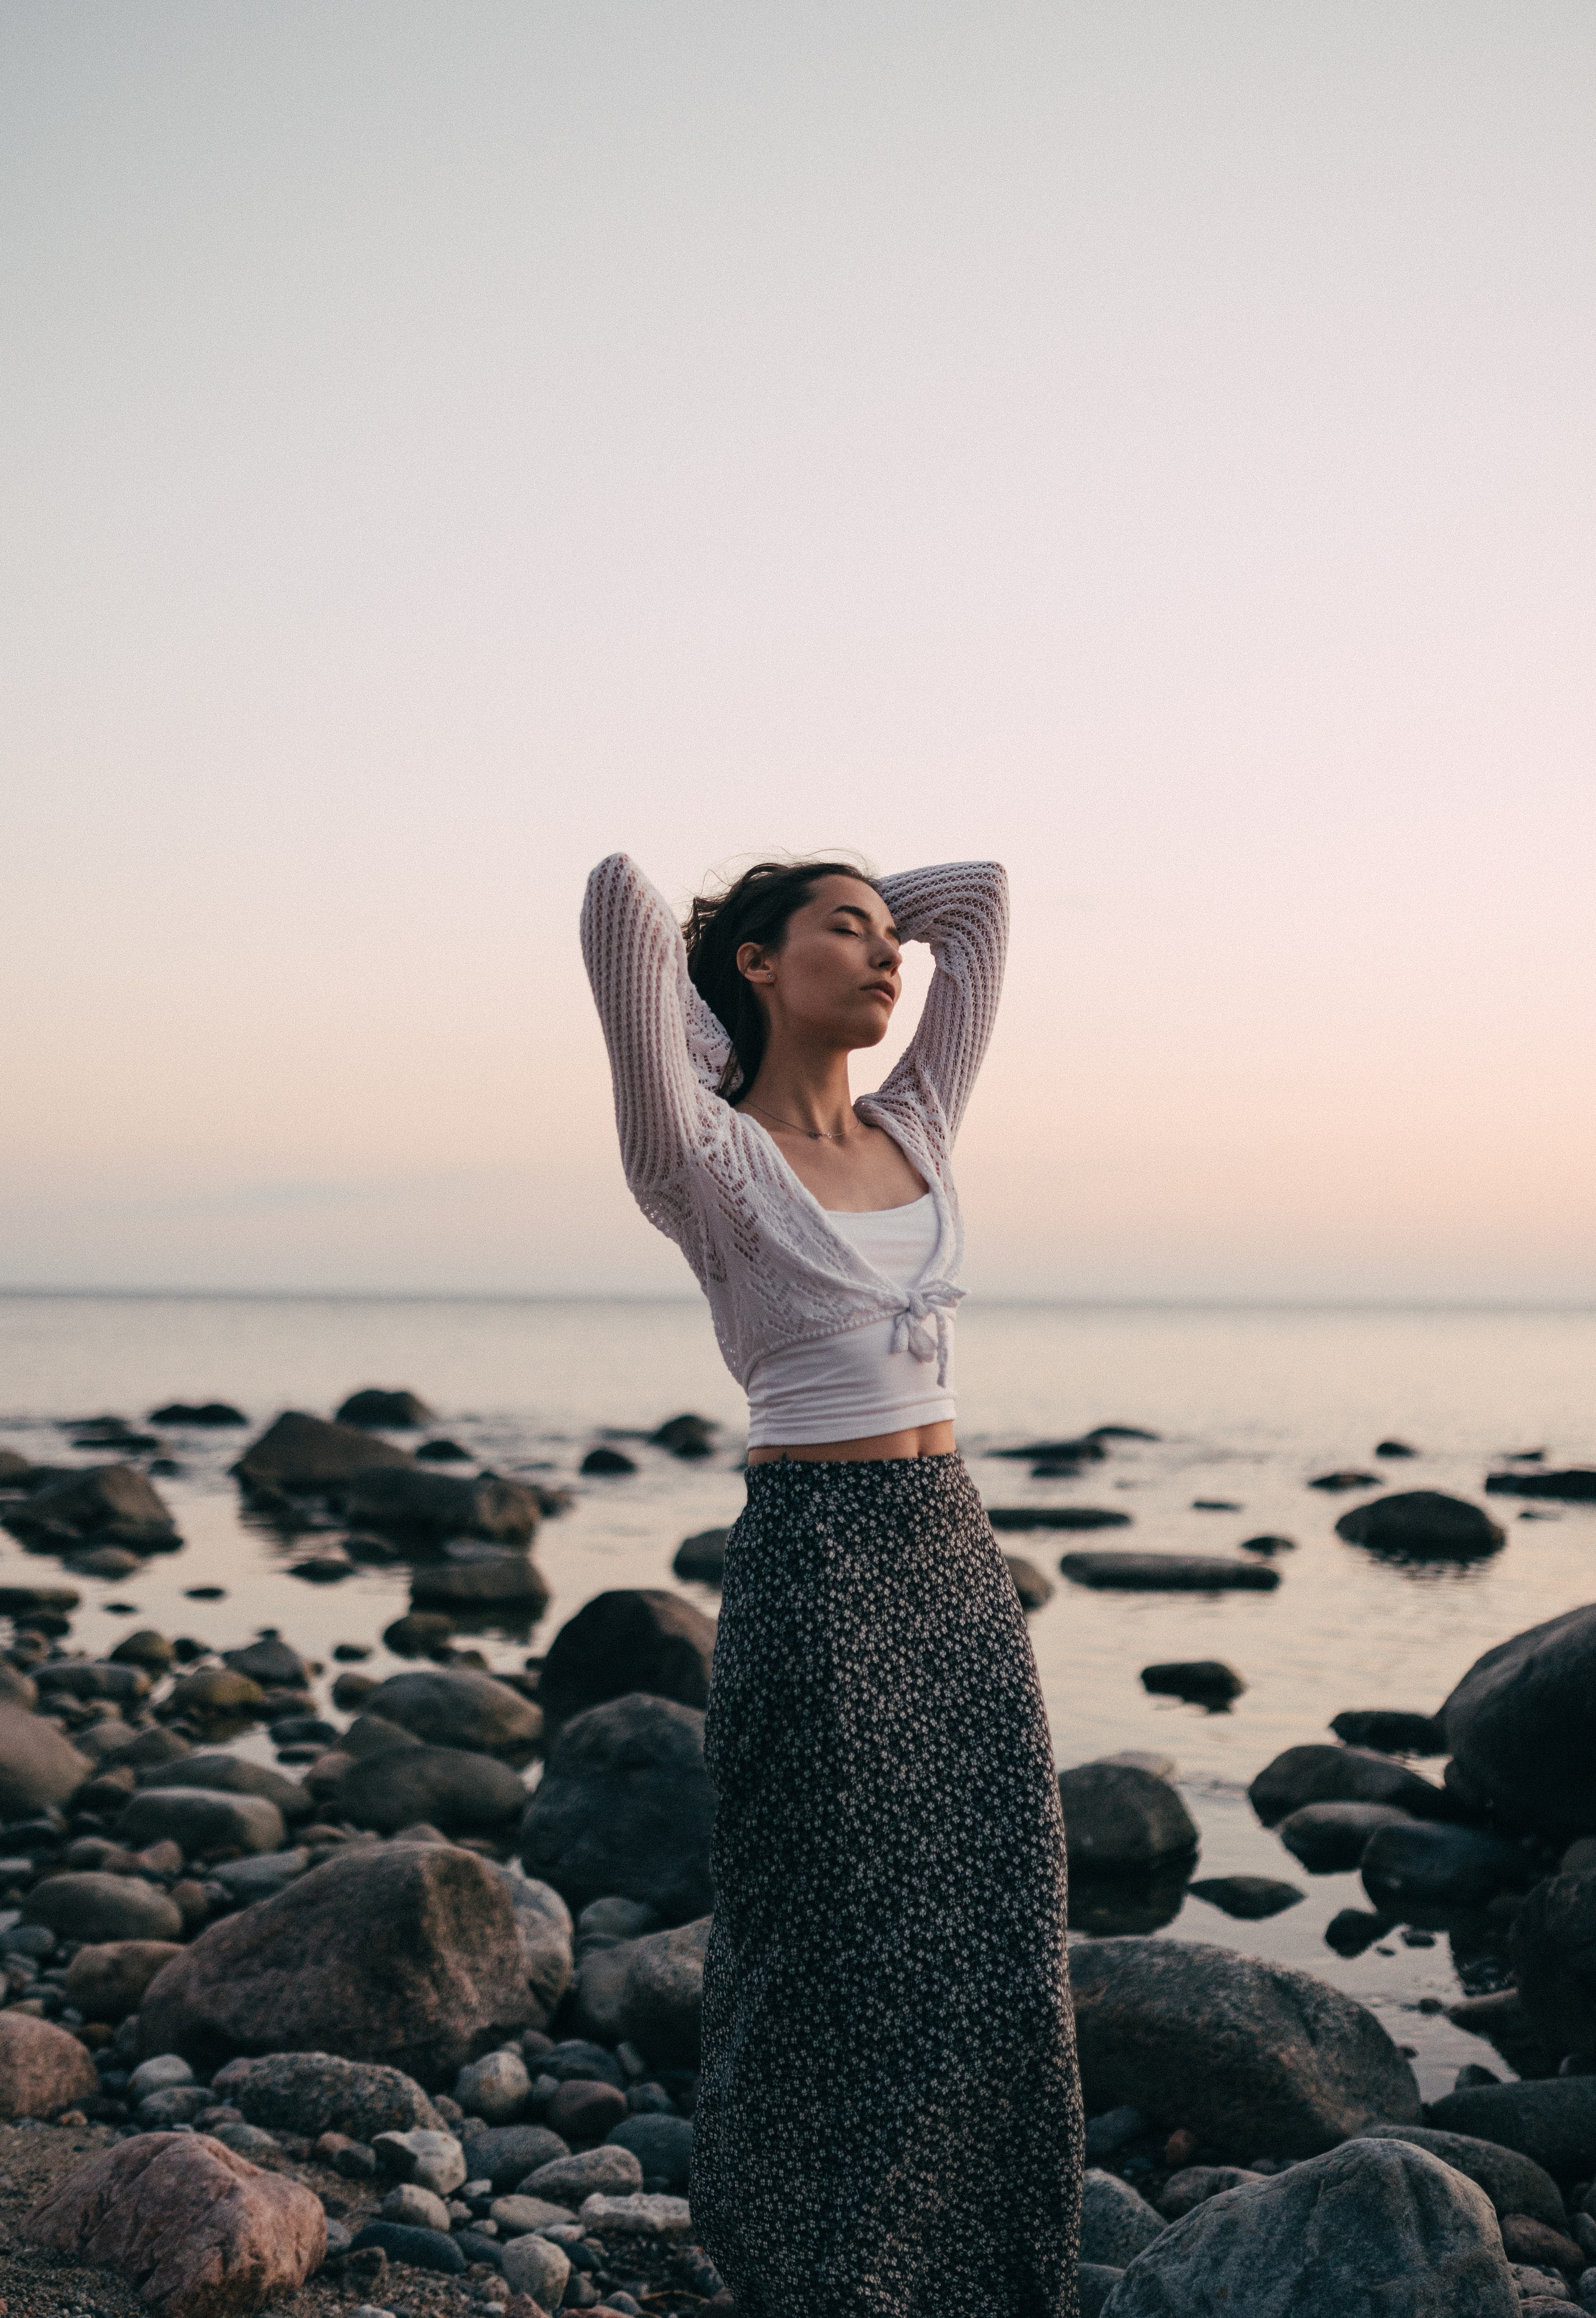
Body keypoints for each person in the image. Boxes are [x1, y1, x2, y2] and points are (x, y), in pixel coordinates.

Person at [580, 851, 1083, 2318]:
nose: (889, 956)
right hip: (813, 1556)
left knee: (998, 1919)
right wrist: (715, 1002)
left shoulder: (914, 1120)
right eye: (845, 932)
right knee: (822, 1930)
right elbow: (620, 900)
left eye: (887, 938)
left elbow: (977, 900)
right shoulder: (697, 1151)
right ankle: (816, 2271)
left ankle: (982, 2268)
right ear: (754, 962)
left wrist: (857, 906)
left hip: (953, 1551)